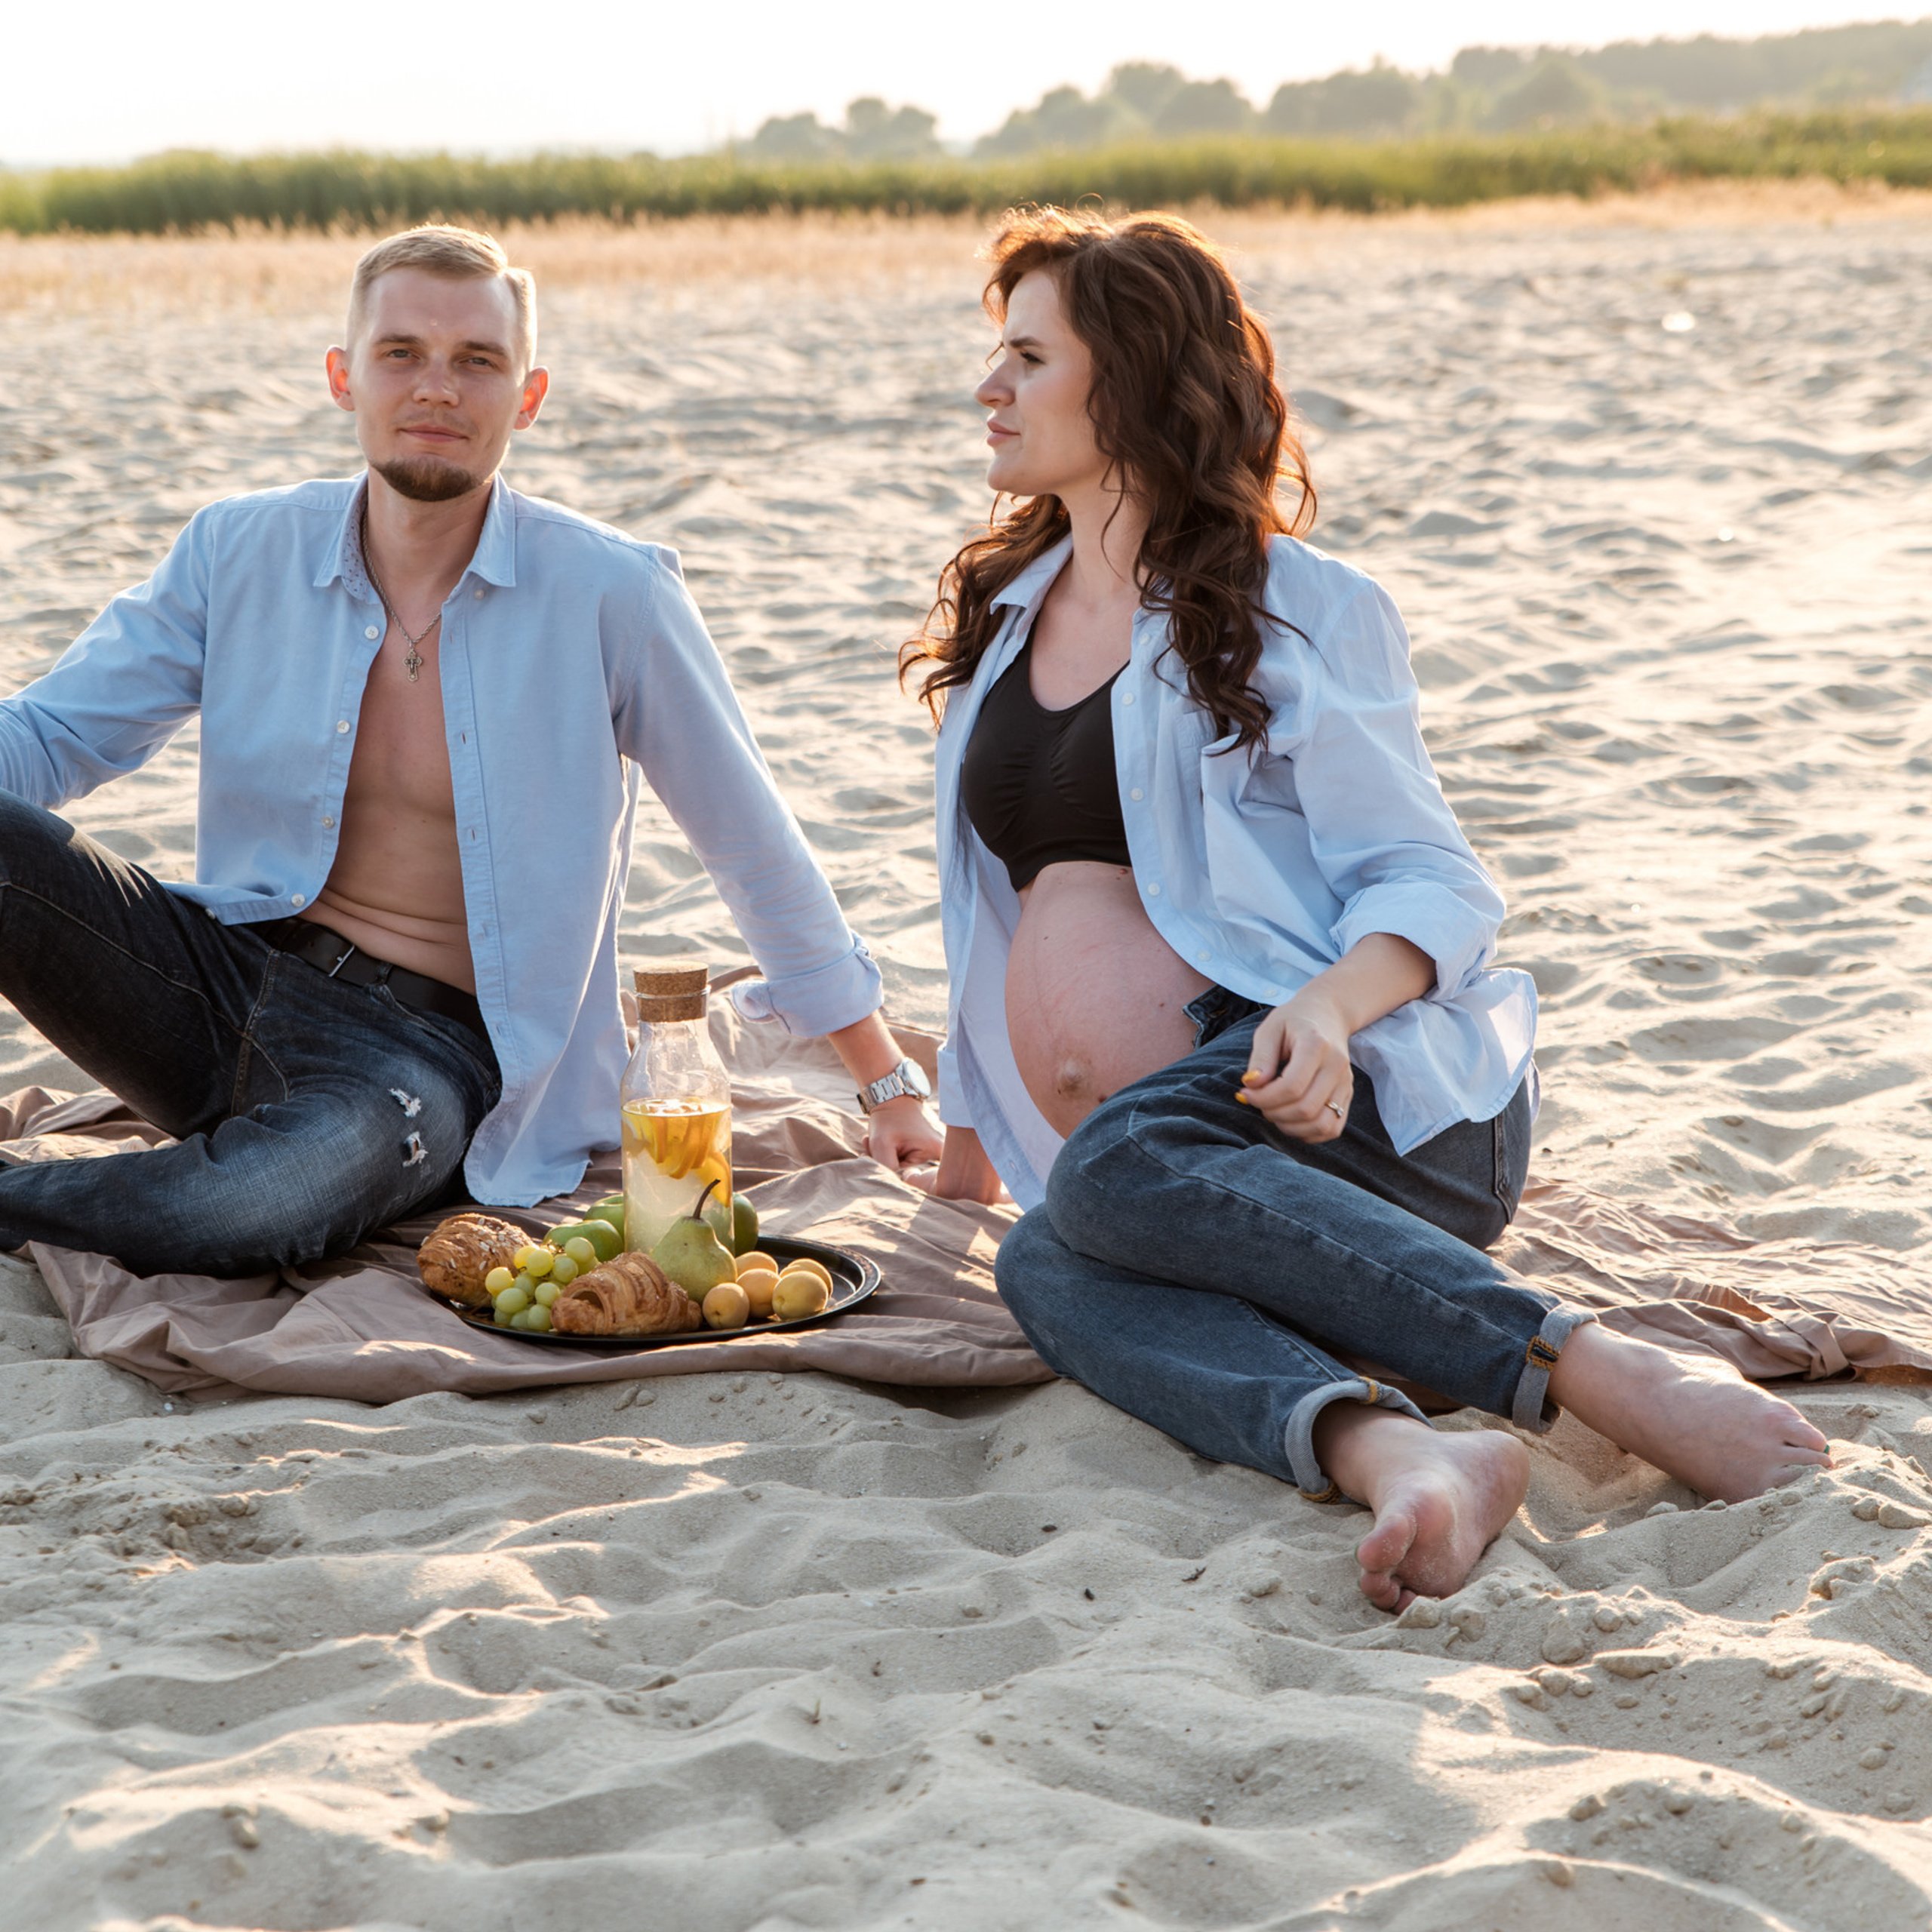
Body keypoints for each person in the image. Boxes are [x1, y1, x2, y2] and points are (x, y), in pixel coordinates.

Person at [903, 208, 1829, 1610]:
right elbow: (989, 919)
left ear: (1136, 377)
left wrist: (1326, 1013)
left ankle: (1593, 1369)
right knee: (1044, 1255)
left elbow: (1435, 877)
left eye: (1028, 358)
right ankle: (1403, 1454)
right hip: (1163, 1168)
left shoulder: (1289, 605)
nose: (991, 388)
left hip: (1358, 1106)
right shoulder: (1008, 614)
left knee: (1102, 1180)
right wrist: (972, 1157)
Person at [0, 223, 940, 1279]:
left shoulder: (611, 594)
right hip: (220, 973)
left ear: (527, 398)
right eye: (401, 353)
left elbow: (750, 841)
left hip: (421, 1054)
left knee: (257, 1205)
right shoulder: (238, 549)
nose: (436, 388)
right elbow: (48, 736)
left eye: (476, 362)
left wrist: (885, 1080)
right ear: (342, 377)